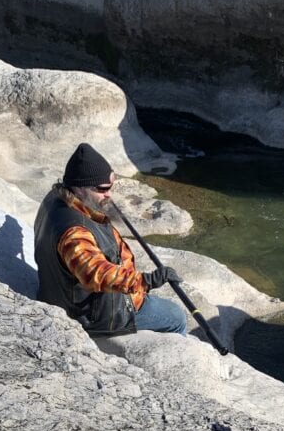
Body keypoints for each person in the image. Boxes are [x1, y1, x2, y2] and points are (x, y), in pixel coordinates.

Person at [34, 143, 187, 337]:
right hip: (92, 316)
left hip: (62, 295)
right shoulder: (75, 234)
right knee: (176, 317)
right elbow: (96, 273)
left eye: (111, 187)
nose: (109, 194)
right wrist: (146, 281)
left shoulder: (56, 197)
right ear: (80, 189)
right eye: (103, 189)